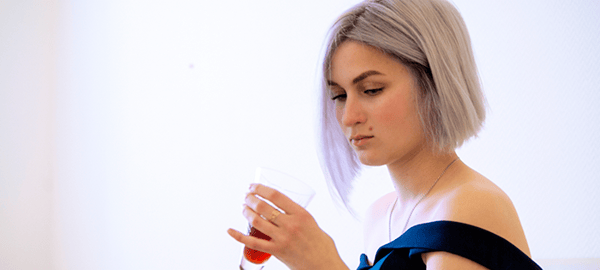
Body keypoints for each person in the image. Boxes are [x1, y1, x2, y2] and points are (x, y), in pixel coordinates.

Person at [228, 0, 543, 269]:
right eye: (339, 95)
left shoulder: (470, 206)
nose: (349, 117)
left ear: (435, 84)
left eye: (371, 89)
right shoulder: (380, 215)